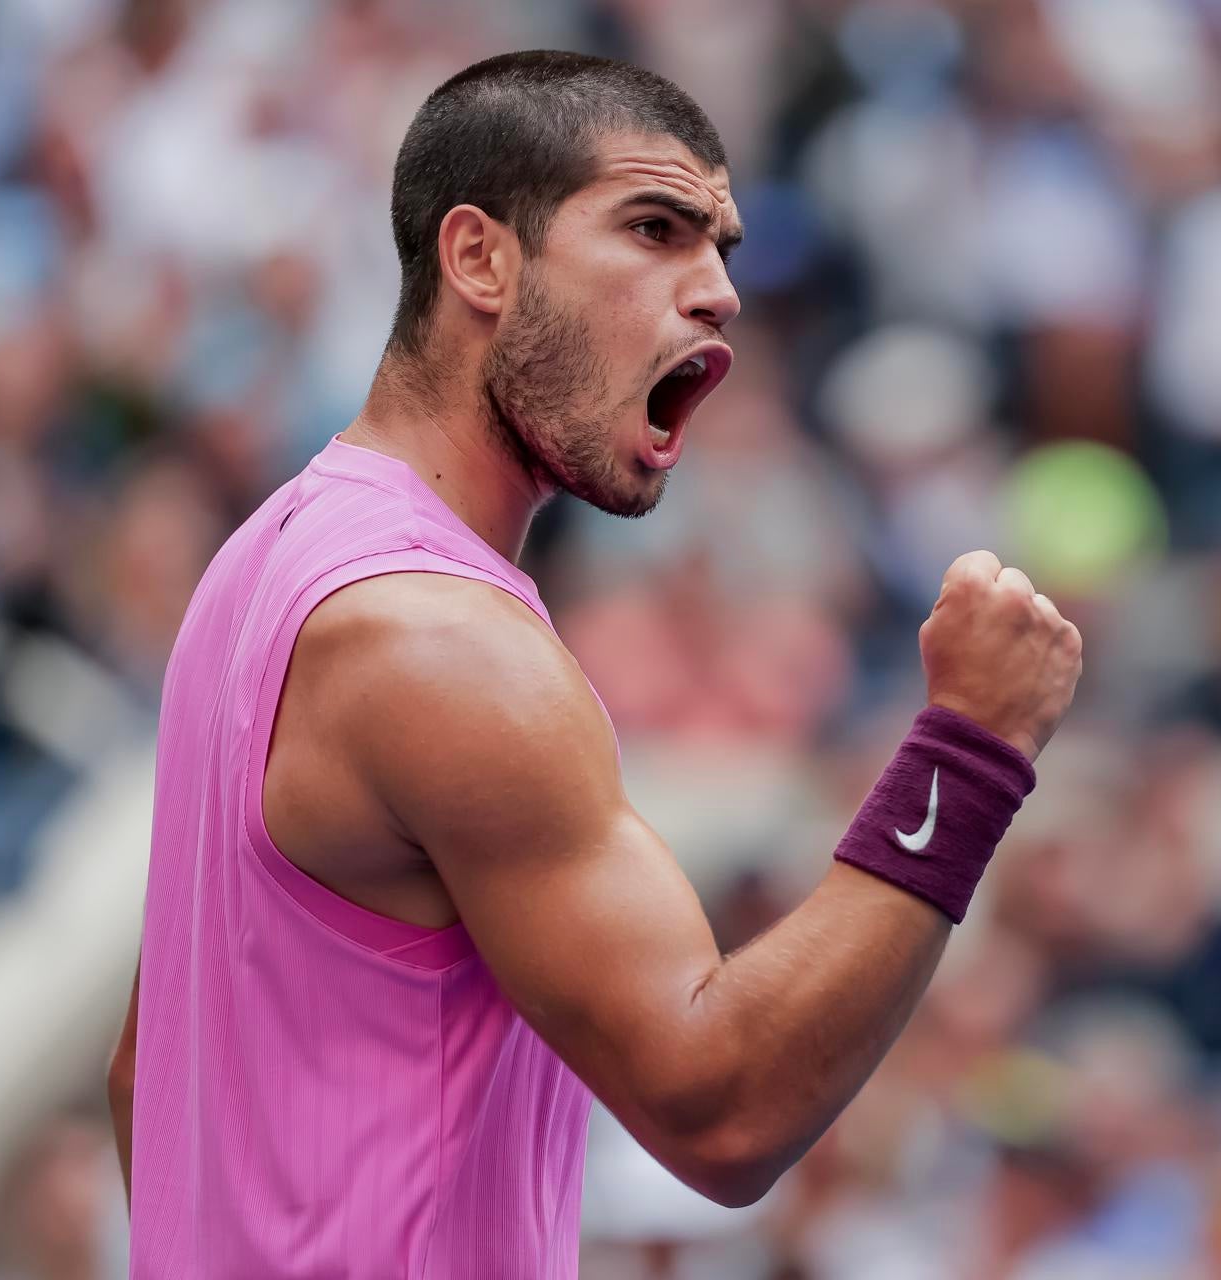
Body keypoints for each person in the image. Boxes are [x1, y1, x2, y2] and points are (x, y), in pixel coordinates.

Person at [108, 50, 1081, 1278]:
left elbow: (150, 1065)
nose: (718, 291)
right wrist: (974, 747)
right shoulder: (443, 640)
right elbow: (721, 1107)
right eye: (654, 227)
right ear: (479, 259)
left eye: (719, 244)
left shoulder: (260, 564)